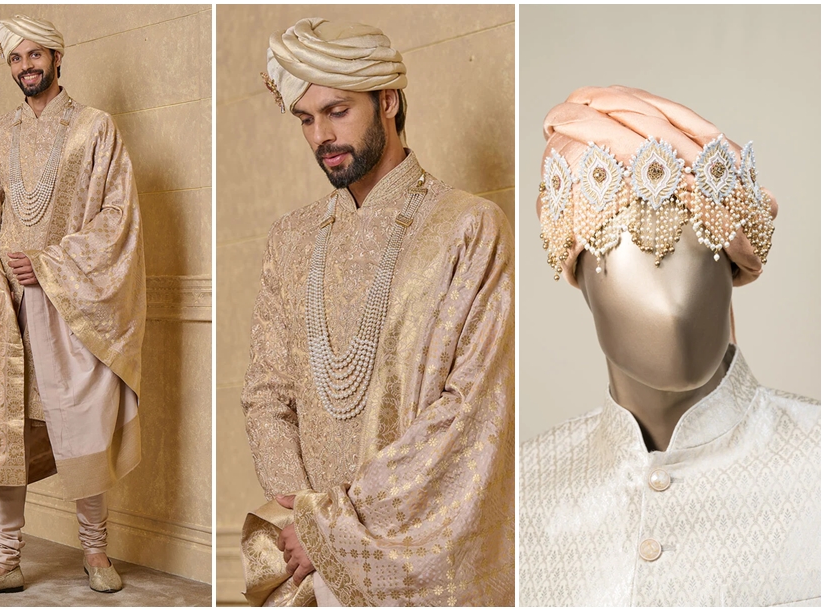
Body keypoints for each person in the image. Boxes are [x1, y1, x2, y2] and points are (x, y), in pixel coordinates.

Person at [240, 17, 514, 607]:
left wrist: (336, 534)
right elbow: (266, 393)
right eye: (306, 119)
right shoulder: (290, 239)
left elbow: (470, 412)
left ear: (387, 100)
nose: (321, 136)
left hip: (417, 555)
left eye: (337, 111)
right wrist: (305, 522)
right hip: (304, 564)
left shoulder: (469, 228)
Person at [519, 86, 820, 606]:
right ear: (581, 280)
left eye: (700, 246)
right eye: (626, 247)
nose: (672, 304)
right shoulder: (523, 487)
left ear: (732, 267)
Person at [0, 14, 146, 599]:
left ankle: (95, 550)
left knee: (80, 425)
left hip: (72, 303)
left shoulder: (95, 128)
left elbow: (117, 214)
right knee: (7, 432)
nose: (26, 66)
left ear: (59, 57)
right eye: (16, 58)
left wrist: (51, 264)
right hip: (7, 304)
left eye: (36, 55)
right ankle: (3, 560)